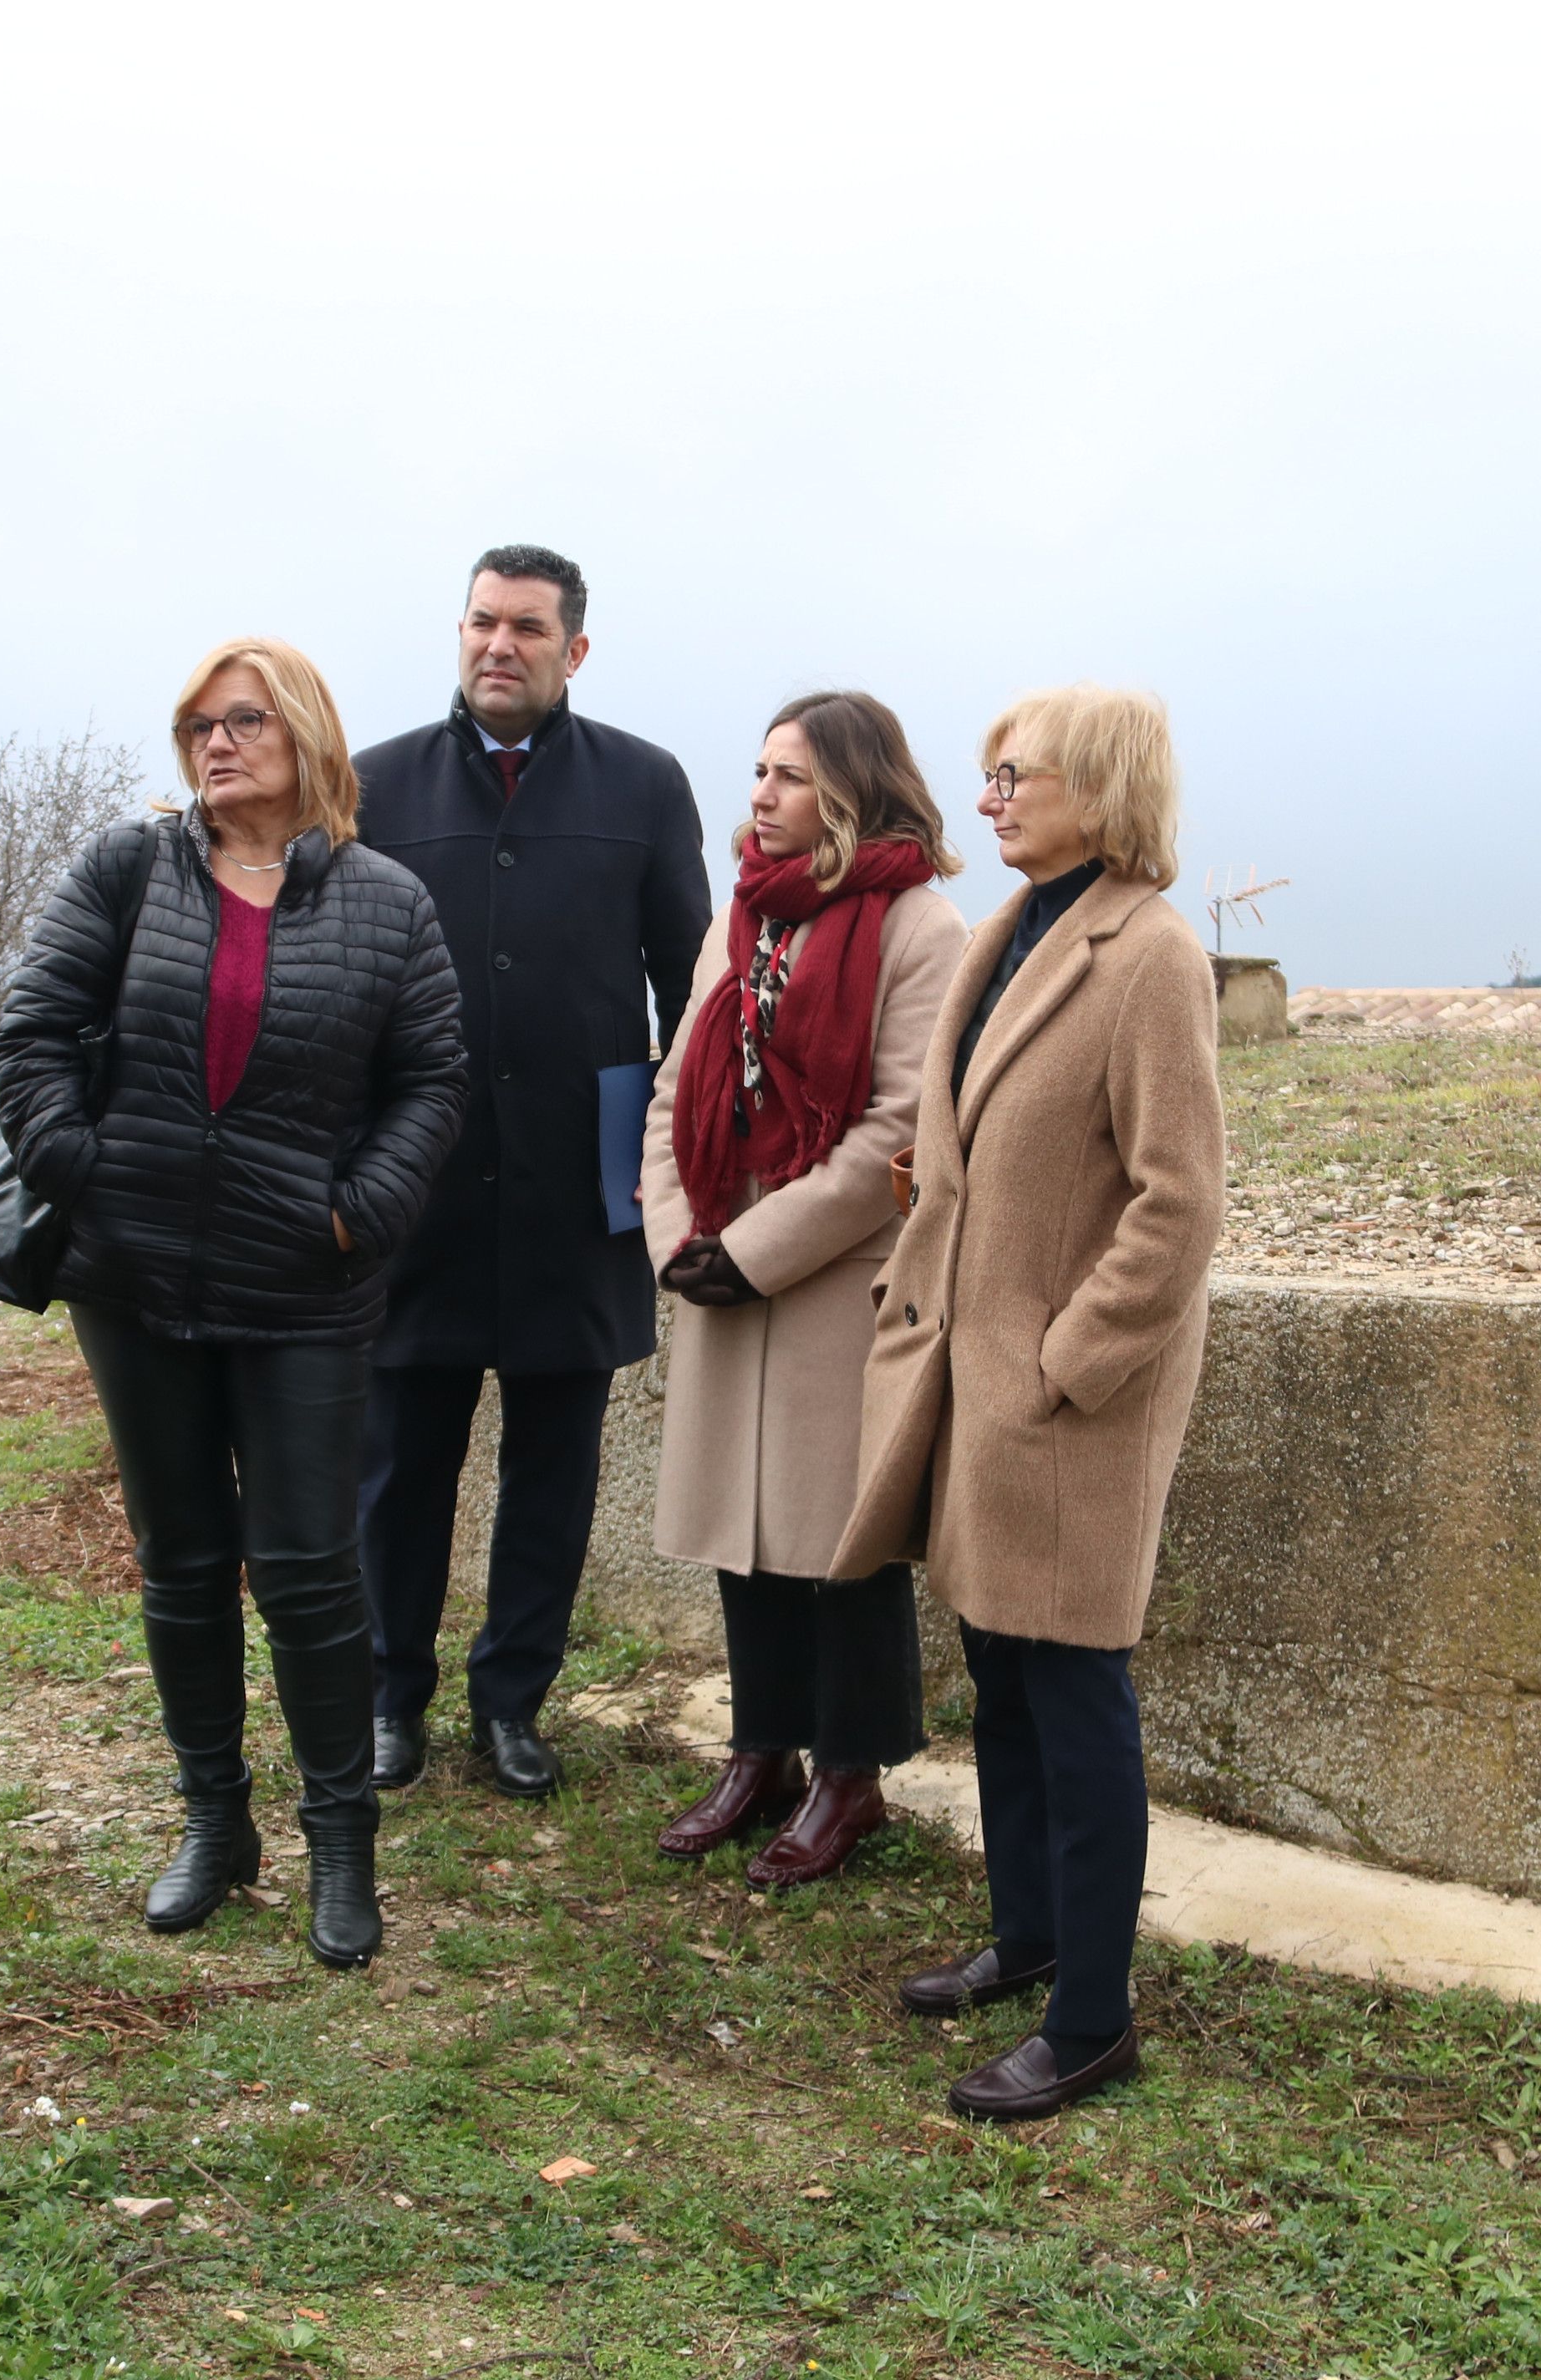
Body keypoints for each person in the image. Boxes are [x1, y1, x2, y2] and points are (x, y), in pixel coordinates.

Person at [0, 639, 468, 1967]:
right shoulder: (124, 870)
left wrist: (353, 1210)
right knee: (184, 1563)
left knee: (312, 1569)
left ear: (305, 735)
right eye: (199, 723)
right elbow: (31, 1037)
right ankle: (217, 1823)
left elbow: (433, 1082)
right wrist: (87, 1178)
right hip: (132, 1279)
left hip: (304, 1287)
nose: (217, 743)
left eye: (244, 720)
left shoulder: (388, 903)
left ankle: (339, 1840)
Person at [833, 685, 1223, 2124]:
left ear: (1099, 789)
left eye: (1016, 775)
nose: (987, 796)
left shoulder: (1149, 955)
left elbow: (1182, 1200)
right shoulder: (1016, 932)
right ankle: (1032, 1935)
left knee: (1073, 1688)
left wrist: (1070, 1360)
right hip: (977, 1377)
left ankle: (1094, 2017)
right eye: (988, 775)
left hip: (1069, 1400)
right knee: (1001, 1668)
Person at [353, 545, 712, 1798]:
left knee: (554, 1469)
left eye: (528, 629)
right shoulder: (374, 784)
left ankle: (512, 1699)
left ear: (575, 649)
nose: (499, 646)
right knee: (401, 1468)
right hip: (420, 1184)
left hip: (582, 1178)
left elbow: (693, 986)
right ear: (458, 632)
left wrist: (670, 1158)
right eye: (481, 623)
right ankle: (391, 1699)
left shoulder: (646, 785)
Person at [639, 693, 967, 1884]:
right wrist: (677, 1235)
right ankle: (761, 1750)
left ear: (849, 790)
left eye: (786, 777)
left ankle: (850, 1776)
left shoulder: (923, 929)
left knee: (840, 1542)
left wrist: (759, 1246)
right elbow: (679, 1088)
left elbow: (898, 1122)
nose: (760, 796)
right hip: (723, 1265)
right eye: (760, 772)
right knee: (745, 1531)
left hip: (835, 1282)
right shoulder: (743, 919)